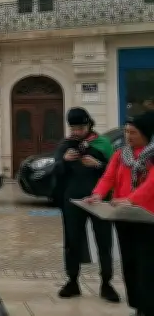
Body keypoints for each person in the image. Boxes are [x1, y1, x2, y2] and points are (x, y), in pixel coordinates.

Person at [88, 112, 154, 316]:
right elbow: (108, 178)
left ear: (145, 133)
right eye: (126, 131)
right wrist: (97, 195)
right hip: (124, 216)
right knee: (130, 263)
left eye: (133, 132)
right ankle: (137, 304)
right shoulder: (120, 155)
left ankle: (148, 307)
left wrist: (130, 199)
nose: (128, 136)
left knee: (147, 265)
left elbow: (151, 185)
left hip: (147, 218)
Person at [51, 107, 119, 301]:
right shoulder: (66, 145)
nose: (77, 132)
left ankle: (107, 283)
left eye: (81, 128)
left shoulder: (103, 144)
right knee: (72, 241)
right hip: (72, 200)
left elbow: (113, 172)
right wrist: (63, 161)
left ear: (89, 124)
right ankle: (72, 281)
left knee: (104, 242)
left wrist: (97, 164)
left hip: (99, 199)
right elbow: (55, 171)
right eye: (73, 128)